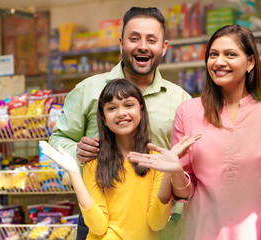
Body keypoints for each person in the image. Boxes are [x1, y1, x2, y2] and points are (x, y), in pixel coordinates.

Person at [128, 24, 261, 240]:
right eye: (213, 54)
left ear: (250, 62)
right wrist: (175, 171)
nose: (219, 61)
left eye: (230, 54)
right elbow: (184, 193)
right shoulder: (188, 112)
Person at [48, 7, 191, 239]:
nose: (142, 46)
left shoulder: (181, 100)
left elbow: (191, 162)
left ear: (163, 47)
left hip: (162, 218)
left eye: (151, 40)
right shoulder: (88, 90)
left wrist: (179, 212)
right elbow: (57, 139)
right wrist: (77, 151)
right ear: (121, 43)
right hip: (99, 218)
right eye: (134, 38)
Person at [41, 79, 198, 240]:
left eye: (129, 105)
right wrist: (74, 173)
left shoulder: (155, 161)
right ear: (103, 118)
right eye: (112, 108)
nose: (121, 113)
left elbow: (156, 222)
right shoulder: (94, 161)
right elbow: (98, 225)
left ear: (141, 110)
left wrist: (168, 171)